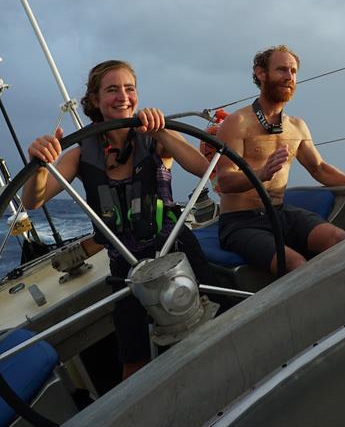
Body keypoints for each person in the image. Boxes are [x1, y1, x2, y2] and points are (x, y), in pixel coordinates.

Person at [22, 59, 211, 379]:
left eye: (129, 88)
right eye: (112, 90)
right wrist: (40, 165)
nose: (123, 96)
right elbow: (33, 200)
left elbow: (202, 168)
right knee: (134, 357)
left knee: (209, 326)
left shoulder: (155, 139)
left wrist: (163, 131)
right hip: (127, 268)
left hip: (177, 250)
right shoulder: (82, 153)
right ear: (95, 100)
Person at [216, 45, 345, 276]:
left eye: (293, 71)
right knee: (294, 264)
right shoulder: (237, 123)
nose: (289, 77)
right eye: (282, 70)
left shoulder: (296, 126)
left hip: (279, 213)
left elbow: (319, 168)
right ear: (261, 73)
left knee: (337, 238)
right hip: (240, 222)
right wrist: (260, 174)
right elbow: (224, 181)